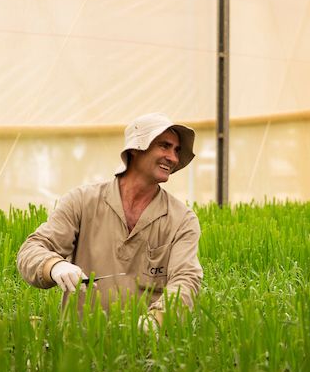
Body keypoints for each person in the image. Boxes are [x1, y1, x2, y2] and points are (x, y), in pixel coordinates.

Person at [16, 113, 203, 327]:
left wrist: (157, 319)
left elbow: (186, 279)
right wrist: (54, 266)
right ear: (135, 149)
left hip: (148, 345)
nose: (173, 157)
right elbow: (32, 249)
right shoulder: (83, 201)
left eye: (177, 150)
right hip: (80, 345)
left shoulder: (182, 219)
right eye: (164, 146)